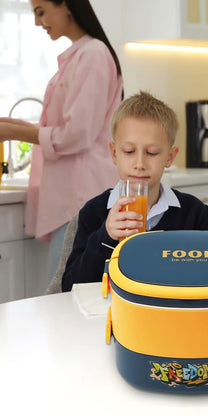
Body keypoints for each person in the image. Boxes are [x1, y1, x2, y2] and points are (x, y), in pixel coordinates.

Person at [0, 0, 123, 281]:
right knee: (65, 291)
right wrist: (17, 126)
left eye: (41, 12)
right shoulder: (81, 55)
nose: (37, 22)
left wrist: (15, 133)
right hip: (73, 199)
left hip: (81, 197)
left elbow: (77, 134)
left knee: (63, 292)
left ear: (66, 5)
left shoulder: (93, 54)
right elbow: (68, 128)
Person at [61, 91, 208, 292]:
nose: (139, 164)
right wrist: (106, 236)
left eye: (152, 153)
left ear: (169, 157)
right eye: (129, 151)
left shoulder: (194, 212)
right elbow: (71, 287)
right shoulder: (94, 212)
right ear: (114, 153)